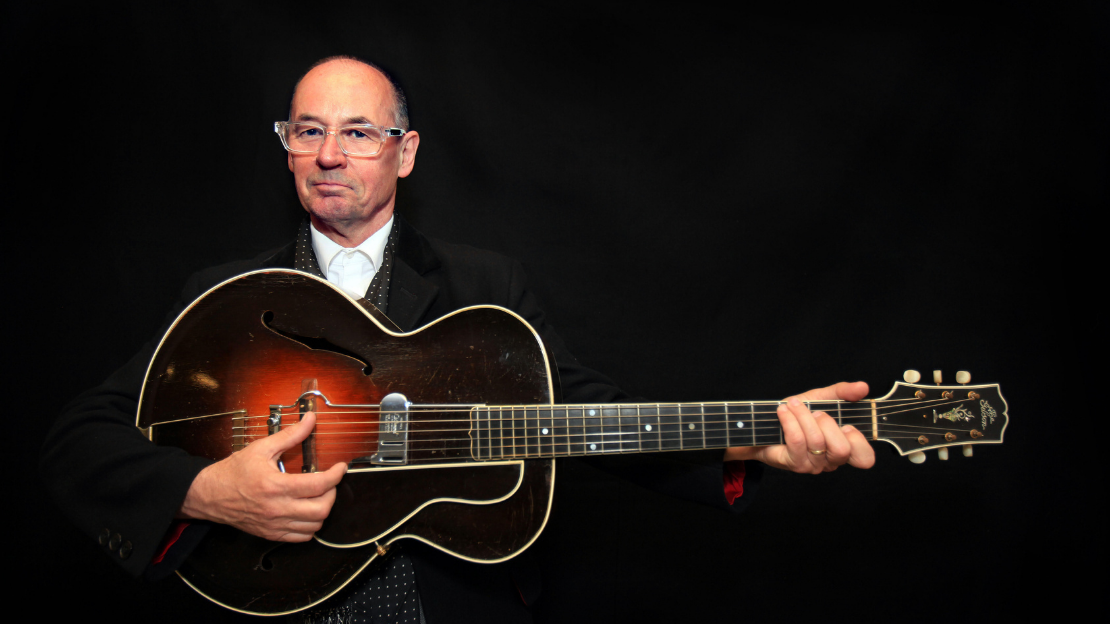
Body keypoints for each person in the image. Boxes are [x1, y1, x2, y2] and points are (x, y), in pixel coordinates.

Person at [41, 56, 875, 623]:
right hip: (268, 601)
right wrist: (205, 491)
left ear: (404, 153)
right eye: (306, 130)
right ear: (287, 147)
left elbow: (582, 412)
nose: (329, 155)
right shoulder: (229, 300)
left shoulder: (485, 286)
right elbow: (78, 441)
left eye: (358, 132)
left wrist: (754, 438)